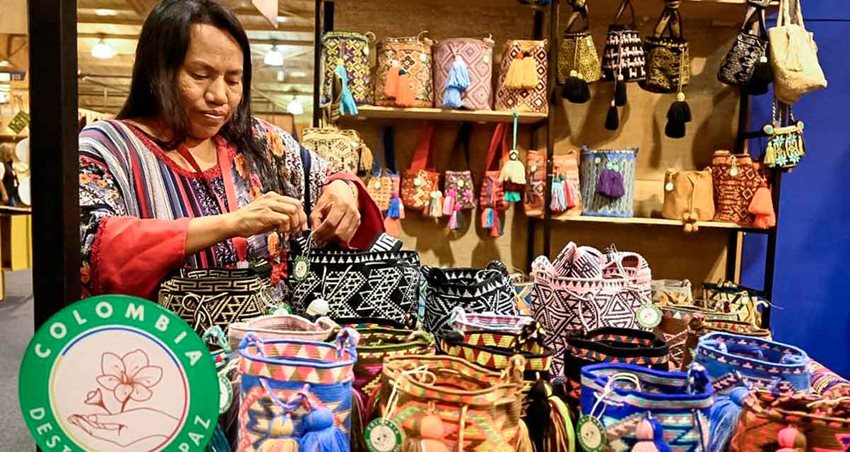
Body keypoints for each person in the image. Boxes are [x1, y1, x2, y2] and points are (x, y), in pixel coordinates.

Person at [79, 0, 383, 300]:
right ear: (158, 71)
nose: (219, 96)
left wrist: (343, 189)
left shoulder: (256, 140)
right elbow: (92, 248)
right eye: (199, 75)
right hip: (163, 345)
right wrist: (231, 223)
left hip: (269, 346)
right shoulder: (107, 147)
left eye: (233, 80)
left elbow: (328, 176)